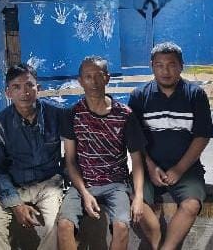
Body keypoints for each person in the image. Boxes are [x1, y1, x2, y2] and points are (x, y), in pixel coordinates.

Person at [128, 42, 213, 250]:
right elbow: (134, 140)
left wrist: (179, 169)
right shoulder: (139, 96)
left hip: (186, 168)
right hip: (148, 168)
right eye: (159, 65)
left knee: (191, 205)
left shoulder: (195, 95)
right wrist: (150, 166)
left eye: (172, 65)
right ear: (152, 66)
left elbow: (202, 136)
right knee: (136, 201)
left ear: (181, 66)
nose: (165, 71)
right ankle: (157, 242)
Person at [57, 56, 146, 250]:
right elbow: (70, 161)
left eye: (99, 76)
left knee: (122, 227)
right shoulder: (72, 114)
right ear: (80, 81)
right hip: (83, 183)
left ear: (107, 78)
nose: (94, 82)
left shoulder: (125, 115)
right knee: (64, 226)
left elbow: (137, 161)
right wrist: (84, 193)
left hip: (116, 184)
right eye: (88, 77)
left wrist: (138, 196)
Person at [0, 63, 68, 250]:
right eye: (16, 87)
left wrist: (64, 175)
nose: (24, 92)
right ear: (8, 93)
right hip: (15, 186)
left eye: (29, 85)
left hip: (49, 185)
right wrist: (15, 204)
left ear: (39, 88)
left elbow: (74, 152)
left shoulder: (57, 115)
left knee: (54, 226)